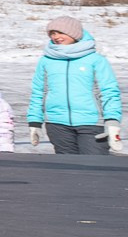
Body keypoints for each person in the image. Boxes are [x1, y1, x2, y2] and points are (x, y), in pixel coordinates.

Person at [25, 17, 120, 155]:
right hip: (57, 124)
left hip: (92, 123)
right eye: (52, 33)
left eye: (60, 32)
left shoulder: (96, 60)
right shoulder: (46, 60)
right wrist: (34, 121)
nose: (56, 37)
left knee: (94, 170)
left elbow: (108, 91)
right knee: (69, 172)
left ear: (74, 33)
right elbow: (39, 92)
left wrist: (112, 120)